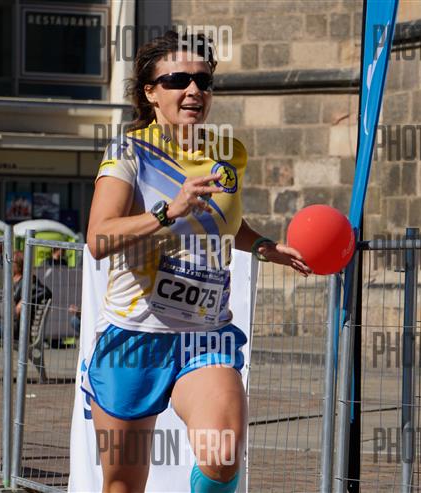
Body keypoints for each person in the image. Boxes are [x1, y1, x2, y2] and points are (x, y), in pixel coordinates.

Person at [84, 31, 311, 492]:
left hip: (204, 335)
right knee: (123, 485)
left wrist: (263, 245)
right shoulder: (129, 153)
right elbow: (99, 238)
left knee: (222, 455)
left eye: (203, 82)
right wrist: (167, 211)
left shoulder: (228, 154)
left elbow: (222, 223)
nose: (193, 90)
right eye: (178, 80)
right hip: (134, 337)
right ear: (150, 92)